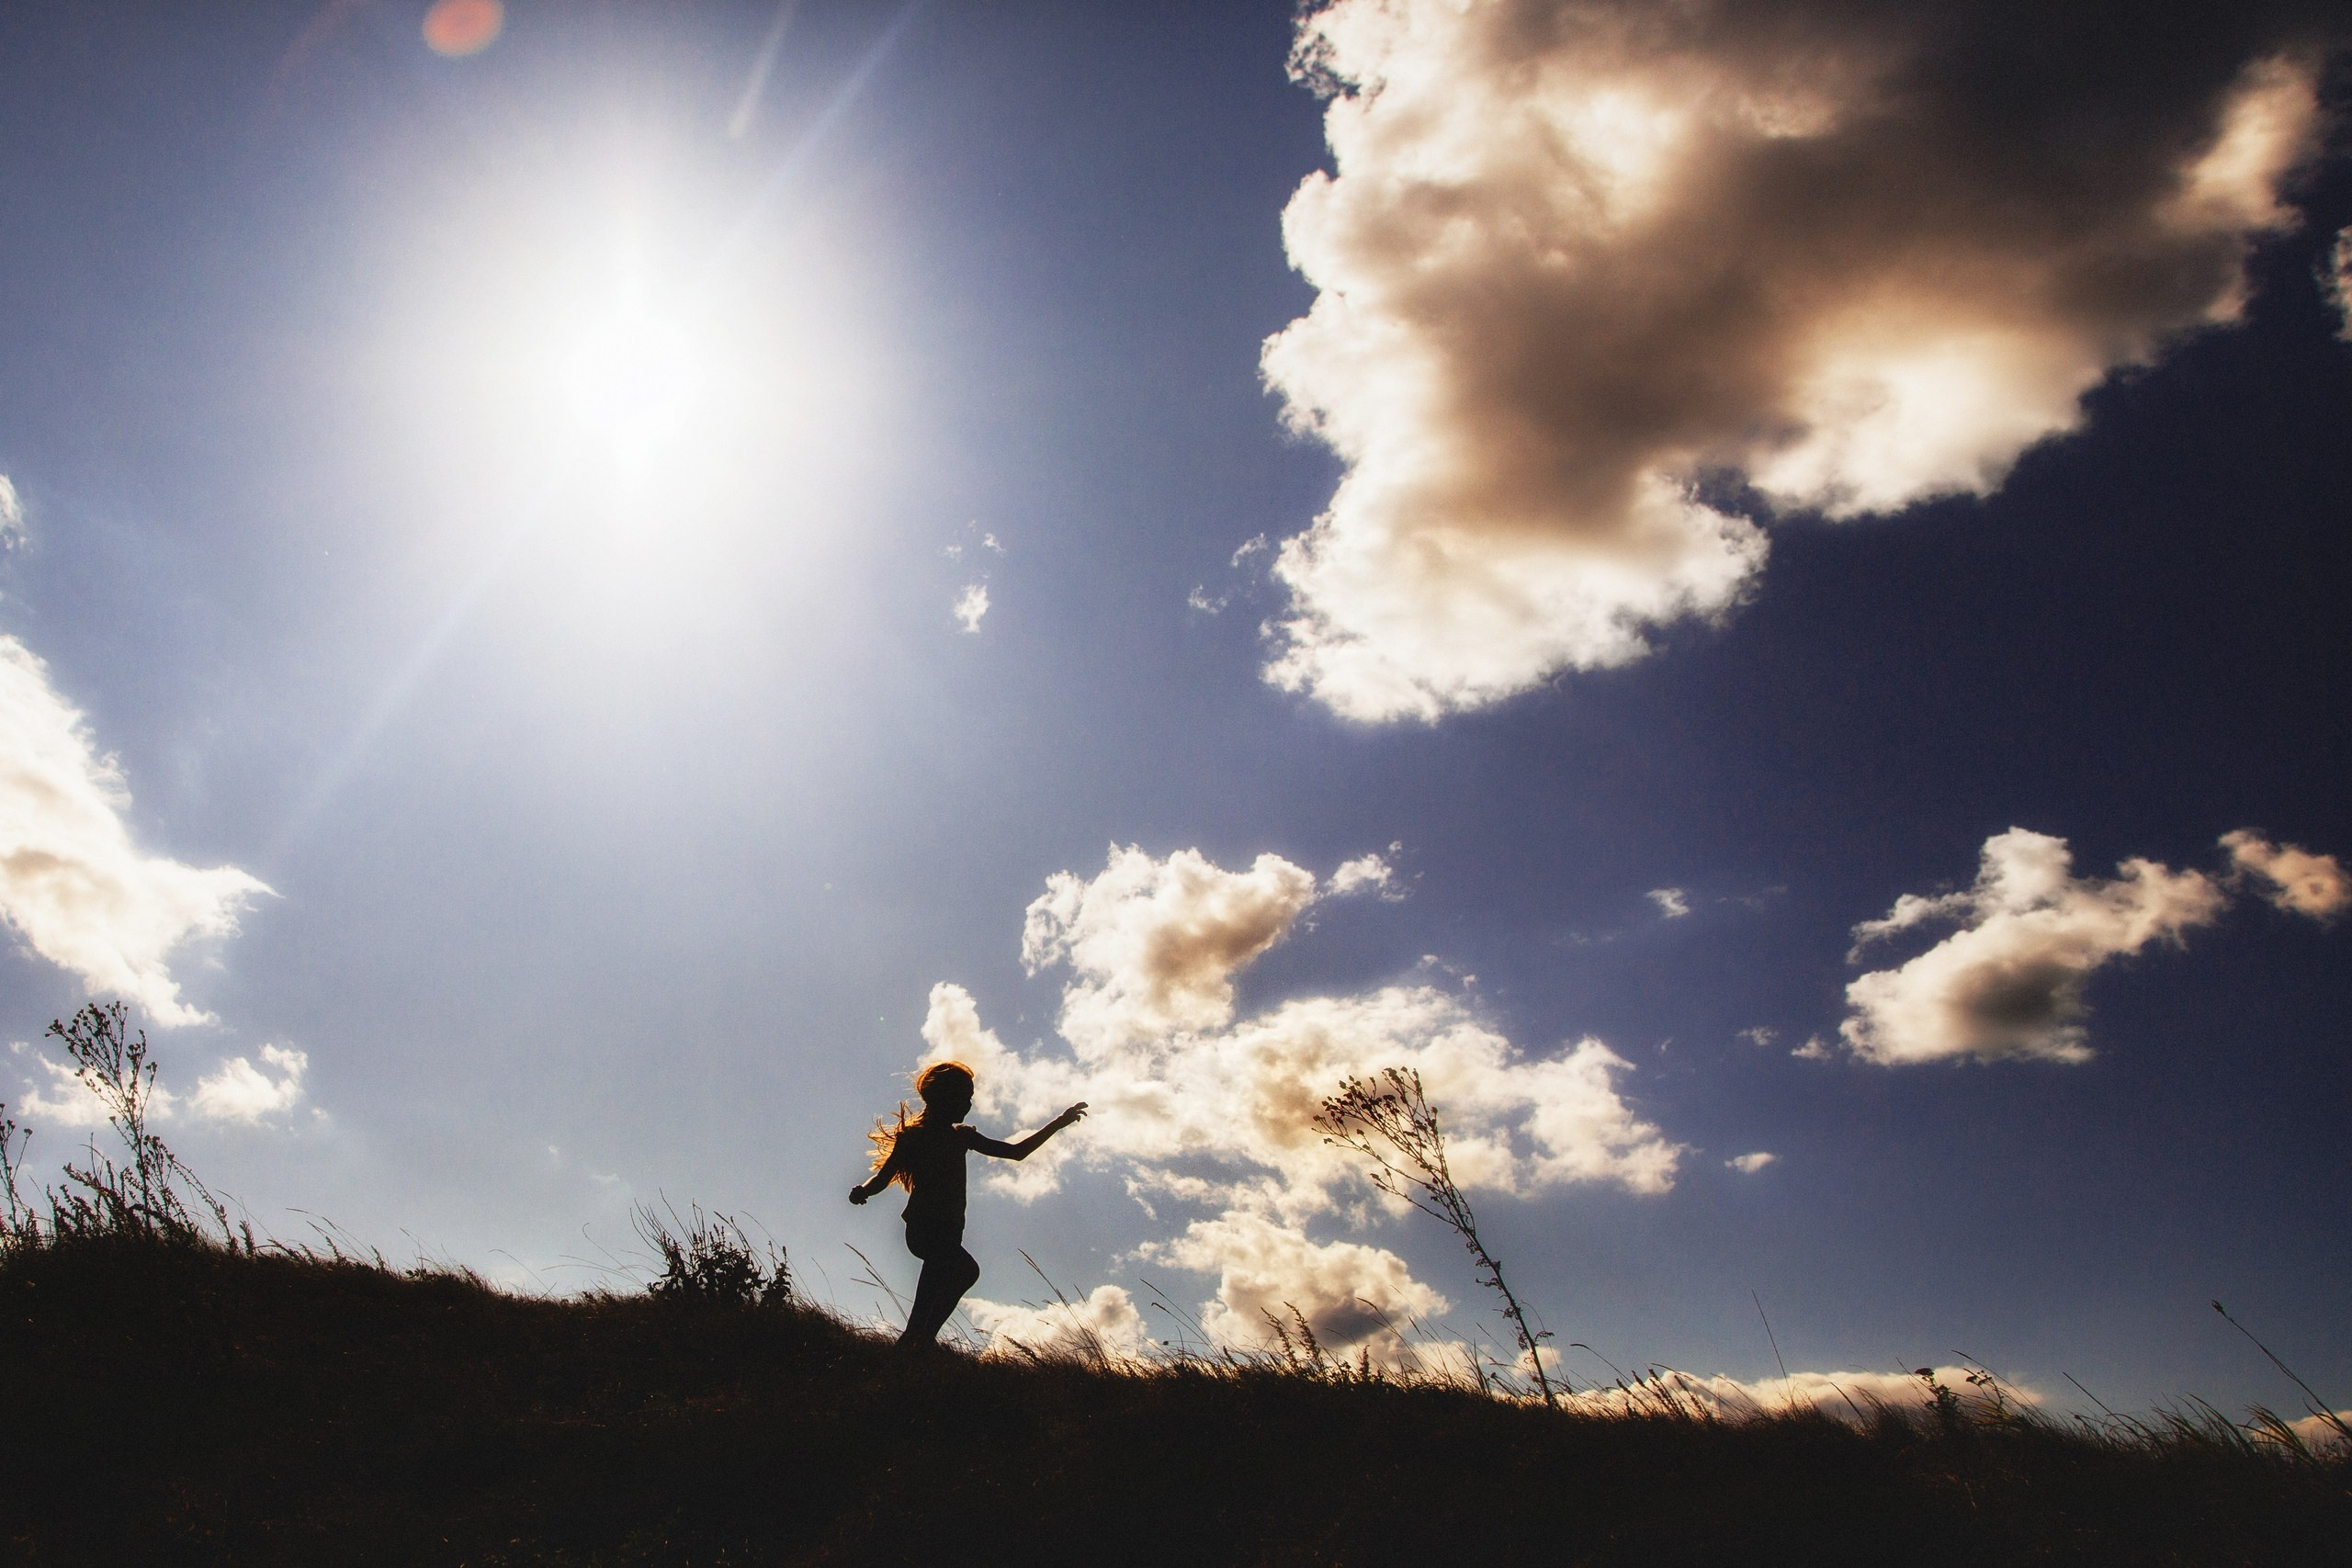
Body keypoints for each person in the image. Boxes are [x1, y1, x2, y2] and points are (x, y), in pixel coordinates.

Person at [850, 1060, 1086, 1348]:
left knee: (946, 1277)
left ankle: (918, 1340)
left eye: (970, 1098)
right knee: (962, 1270)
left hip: (948, 1228)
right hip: (925, 1225)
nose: (968, 1104)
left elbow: (1016, 1152)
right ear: (943, 1097)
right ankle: (919, 1338)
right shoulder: (915, 1137)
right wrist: (864, 1190)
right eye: (964, 1097)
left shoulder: (962, 1137)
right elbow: (884, 1176)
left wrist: (1058, 1124)